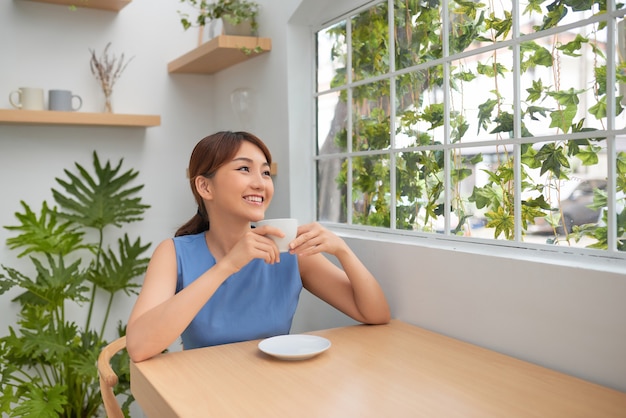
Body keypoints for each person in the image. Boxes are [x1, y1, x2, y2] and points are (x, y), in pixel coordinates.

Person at [126, 131, 390, 362]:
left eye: (265, 172)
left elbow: (376, 314)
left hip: (274, 389)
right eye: (244, 169)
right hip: (204, 395)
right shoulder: (173, 253)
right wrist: (228, 266)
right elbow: (138, 347)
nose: (261, 182)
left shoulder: (288, 249)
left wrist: (342, 250)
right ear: (205, 186)